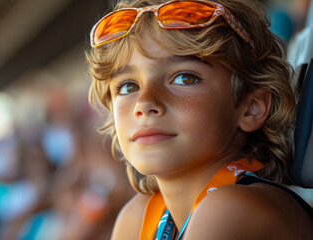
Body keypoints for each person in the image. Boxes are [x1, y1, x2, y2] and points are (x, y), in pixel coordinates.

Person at [86, 0, 313, 239]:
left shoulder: (230, 210)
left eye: (185, 78)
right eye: (128, 86)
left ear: (251, 108)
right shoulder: (138, 216)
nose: (144, 103)